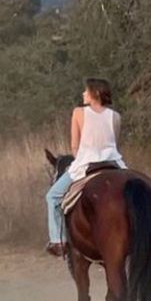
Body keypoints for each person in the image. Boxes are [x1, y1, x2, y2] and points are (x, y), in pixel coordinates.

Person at [45, 78, 126, 258]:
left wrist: (79, 157)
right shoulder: (115, 116)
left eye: (86, 91)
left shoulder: (79, 113)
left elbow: (75, 146)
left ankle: (58, 241)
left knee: (52, 196)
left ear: (94, 94)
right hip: (115, 163)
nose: (83, 94)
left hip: (86, 163)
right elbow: (114, 143)